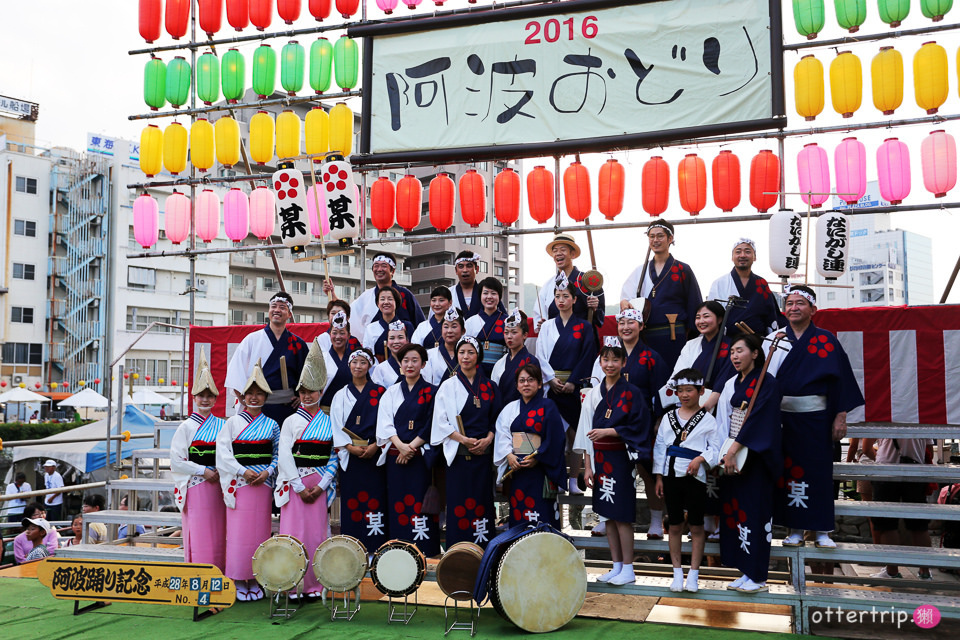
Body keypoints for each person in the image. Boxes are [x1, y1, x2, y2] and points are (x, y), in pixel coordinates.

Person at [765, 285, 864, 549]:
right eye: (790, 303)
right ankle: (794, 529)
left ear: (813, 309)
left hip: (817, 418)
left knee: (818, 473)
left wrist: (840, 416)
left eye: (800, 303)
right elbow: (762, 382)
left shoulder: (826, 339)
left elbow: (840, 381)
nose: (794, 307)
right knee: (789, 473)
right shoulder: (774, 340)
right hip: (783, 419)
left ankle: (822, 531)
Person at [575, 337, 652, 586]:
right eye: (606, 359)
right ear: (600, 361)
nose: (610, 364)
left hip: (620, 458)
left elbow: (640, 426)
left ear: (624, 362)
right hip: (598, 459)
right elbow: (586, 429)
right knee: (606, 515)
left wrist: (610, 432)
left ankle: (628, 567)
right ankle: (616, 565)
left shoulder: (632, 393)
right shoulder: (595, 393)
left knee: (622, 515)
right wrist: (587, 466)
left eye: (615, 359)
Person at [589, 306, 669, 538]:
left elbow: (662, 393)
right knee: (611, 471)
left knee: (648, 472)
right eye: (622, 323)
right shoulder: (609, 355)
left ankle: (655, 521)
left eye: (631, 323)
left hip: (642, 422)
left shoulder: (651, 357)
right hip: (610, 421)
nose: (625, 327)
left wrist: (659, 420)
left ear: (641, 326)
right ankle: (606, 517)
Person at [716, 334, 782, 594]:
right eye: (732, 351)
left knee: (754, 514)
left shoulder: (768, 383)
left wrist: (735, 449)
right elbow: (724, 419)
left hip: (755, 456)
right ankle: (745, 571)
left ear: (755, 353)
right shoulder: (732, 383)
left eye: (740, 350)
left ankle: (758, 575)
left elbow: (760, 421)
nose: (734, 356)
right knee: (737, 514)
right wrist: (725, 451)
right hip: (733, 452)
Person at [276, 340, 338, 598]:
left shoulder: (330, 421)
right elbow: (284, 455)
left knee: (316, 535)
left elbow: (335, 456)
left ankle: (315, 585)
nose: (307, 395)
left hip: (319, 483)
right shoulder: (290, 421)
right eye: (303, 391)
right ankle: (291, 584)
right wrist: (300, 487)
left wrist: (322, 485)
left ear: (321, 391)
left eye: (312, 391)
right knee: (293, 534)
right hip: (296, 485)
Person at [216, 359, 280, 602]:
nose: (254, 398)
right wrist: (242, 472)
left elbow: (277, 454)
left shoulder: (273, 425)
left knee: (259, 533)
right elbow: (223, 454)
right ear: (242, 397)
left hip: (262, 484)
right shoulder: (232, 423)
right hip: (241, 484)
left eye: (259, 394)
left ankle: (257, 577)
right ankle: (237, 577)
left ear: (265, 397)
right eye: (249, 394)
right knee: (238, 535)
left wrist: (267, 472)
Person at [654, 369, 721, 593]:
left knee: (696, 525)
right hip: (671, 475)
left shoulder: (708, 420)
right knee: (674, 524)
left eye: (689, 390)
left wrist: (701, 459)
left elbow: (716, 448)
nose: (684, 395)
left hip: (696, 477)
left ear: (701, 391)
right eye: (680, 391)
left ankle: (693, 573)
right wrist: (658, 477)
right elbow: (660, 447)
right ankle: (676, 572)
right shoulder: (668, 417)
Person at [432, 336, 502, 548]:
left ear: (478, 355)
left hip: (483, 456)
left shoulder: (490, 386)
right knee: (459, 506)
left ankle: (483, 552)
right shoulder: (448, 386)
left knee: (482, 504)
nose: (465, 356)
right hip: (459, 457)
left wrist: (488, 439)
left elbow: (498, 420)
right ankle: (458, 552)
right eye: (462, 352)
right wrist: (462, 439)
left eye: (470, 352)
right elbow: (440, 422)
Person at [376, 344, 441, 556]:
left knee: (420, 505)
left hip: (420, 458)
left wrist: (411, 447)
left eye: (415, 360)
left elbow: (432, 423)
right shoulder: (391, 392)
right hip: (396, 458)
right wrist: (401, 446)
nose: (410, 365)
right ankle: (398, 550)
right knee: (398, 504)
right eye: (405, 360)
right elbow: (385, 423)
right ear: (400, 364)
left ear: (423, 364)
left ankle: (426, 553)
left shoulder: (433, 391)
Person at [536, 273, 597, 495]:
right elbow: (540, 356)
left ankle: (573, 478)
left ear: (574, 299)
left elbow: (588, 355)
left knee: (575, 433)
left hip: (574, 386)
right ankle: (557, 478)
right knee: (554, 434)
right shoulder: (547, 327)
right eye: (557, 296)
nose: (561, 300)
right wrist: (551, 379)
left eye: (565, 296)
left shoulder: (584, 327)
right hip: (552, 387)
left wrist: (572, 382)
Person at [170, 349, 227, 571]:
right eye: (201, 396)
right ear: (193, 398)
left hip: (219, 484)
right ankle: (199, 574)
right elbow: (176, 460)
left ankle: (220, 572)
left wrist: (222, 470)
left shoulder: (223, 425)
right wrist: (203, 470)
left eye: (209, 396)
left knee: (219, 530)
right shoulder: (185, 427)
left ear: (215, 398)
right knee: (200, 530)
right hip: (197, 484)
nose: (205, 400)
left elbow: (228, 454)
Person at [620, 219, 702, 372]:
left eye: (660, 236)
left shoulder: (683, 269)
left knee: (674, 377)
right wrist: (624, 302)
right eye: (651, 236)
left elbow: (694, 304)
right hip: (646, 336)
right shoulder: (640, 271)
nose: (655, 240)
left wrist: (692, 338)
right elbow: (627, 297)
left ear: (670, 239)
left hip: (674, 335)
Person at [494, 361, 567, 528]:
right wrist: (509, 455)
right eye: (522, 381)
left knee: (542, 515)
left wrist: (538, 457)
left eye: (531, 380)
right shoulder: (510, 409)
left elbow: (556, 437)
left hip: (541, 470)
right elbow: (502, 434)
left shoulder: (548, 406)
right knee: (521, 515)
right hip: (517, 469)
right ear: (517, 386)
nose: (526, 384)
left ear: (540, 384)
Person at [331, 348, 389, 554]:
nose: (358, 366)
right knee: (353, 502)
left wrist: (376, 445)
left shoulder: (381, 393)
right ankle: (353, 547)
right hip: (352, 456)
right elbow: (336, 426)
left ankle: (376, 548)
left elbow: (386, 423)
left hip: (374, 455)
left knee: (375, 500)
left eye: (363, 363)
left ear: (370, 365)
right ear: (349, 365)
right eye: (354, 362)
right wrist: (348, 447)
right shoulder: (340, 395)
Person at [225, 291, 308, 424]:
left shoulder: (298, 344)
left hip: (288, 409)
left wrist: (301, 396)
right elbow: (236, 372)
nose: (277, 310)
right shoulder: (252, 340)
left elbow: (307, 377)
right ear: (268, 310)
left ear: (290, 314)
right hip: (257, 408)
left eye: (282, 307)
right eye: (273, 306)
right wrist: (245, 400)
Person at [861, 436, 934, 580]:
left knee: (887, 525)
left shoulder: (883, 415)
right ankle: (925, 571)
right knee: (919, 525)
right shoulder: (920, 416)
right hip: (916, 471)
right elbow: (929, 449)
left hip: (886, 472)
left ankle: (892, 571)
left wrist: (880, 459)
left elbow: (865, 448)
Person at [659, 301, 737, 415]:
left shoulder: (730, 346)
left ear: (720, 319)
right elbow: (679, 374)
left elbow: (725, 378)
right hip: (688, 401)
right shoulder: (691, 344)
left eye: (706, 316)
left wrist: (709, 402)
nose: (701, 321)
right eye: (698, 317)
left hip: (718, 404)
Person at [707, 238, 784, 338]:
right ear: (732, 257)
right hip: (728, 341)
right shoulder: (719, 283)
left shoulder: (762, 283)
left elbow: (771, 315)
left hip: (756, 342)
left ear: (754, 257)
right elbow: (712, 314)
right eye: (738, 252)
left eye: (747, 252)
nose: (742, 255)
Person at [533, 234, 605, 332]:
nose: (558, 253)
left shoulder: (588, 281)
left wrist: (595, 308)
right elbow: (541, 315)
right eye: (555, 251)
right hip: (556, 336)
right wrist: (543, 324)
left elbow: (599, 317)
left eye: (563, 250)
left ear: (573, 254)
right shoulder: (548, 285)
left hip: (582, 337)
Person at [343, 252, 425, 330]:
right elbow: (349, 314)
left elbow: (420, 324)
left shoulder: (405, 294)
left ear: (392, 271)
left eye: (384, 266)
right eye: (376, 266)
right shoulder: (366, 296)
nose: (379, 269)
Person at [491, 309, 554, 405]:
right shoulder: (500, 363)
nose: (509, 337)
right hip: (502, 413)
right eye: (506, 332)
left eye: (514, 332)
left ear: (525, 335)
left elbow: (536, 392)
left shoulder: (532, 361)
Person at [464, 277, 510, 377]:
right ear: (480, 296)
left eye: (493, 293)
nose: (489, 297)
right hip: (475, 372)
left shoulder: (508, 321)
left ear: (499, 296)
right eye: (485, 293)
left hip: (501, 372)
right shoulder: (470, 322)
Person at [363, 287, 415, 363]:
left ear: (396, 303)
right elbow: (368, 355)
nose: (386, 302)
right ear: (378, 304)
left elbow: (413, 351)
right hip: (378, 371)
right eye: (382, 299)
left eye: (390, 299)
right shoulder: (371, 328)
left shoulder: (407, 326)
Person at [319, 310, 356, 414]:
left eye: (342, 333)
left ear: (349, 335)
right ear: (330, 334)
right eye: (334, 333)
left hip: (349, 410)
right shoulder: (322, 358)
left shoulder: (354, 359)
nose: (338, 337)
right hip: (325, 411)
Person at [450, 251, 504, 319]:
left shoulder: (487, 293)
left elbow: (504, 319)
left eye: (469, 266)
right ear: (456, 270)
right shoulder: (448, 293)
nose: (465, 270)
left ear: (477, 269)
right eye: (461, 266)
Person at [424, 307, 465, 385]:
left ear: (463, 331)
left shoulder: (468, 355)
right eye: (446, 327)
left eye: (454, 326)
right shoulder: (430, 355)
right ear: (441, 330)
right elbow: (426, 383)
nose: (449, 331)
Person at [412, 286, 453, 351]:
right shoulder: (422, 326)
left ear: (450, 302)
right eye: (433, 300)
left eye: (441, 300)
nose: (437, 304)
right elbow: (415, 349)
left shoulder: (454, 325)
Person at [370, 320, 410, 387]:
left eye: (400, 337)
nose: (396, 341)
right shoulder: (380, 369)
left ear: (407, 341)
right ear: (387, 343)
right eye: (392, 338)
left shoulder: (417, 365)